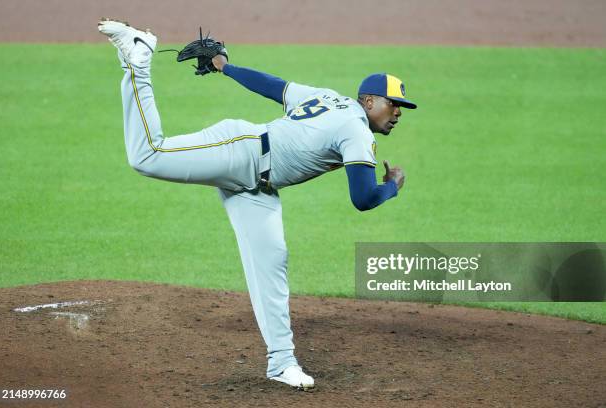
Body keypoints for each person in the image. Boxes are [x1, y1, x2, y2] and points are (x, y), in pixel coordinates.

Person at [98, 19, 417, 390]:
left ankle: (282, 363)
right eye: (393, 105)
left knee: (271, 262)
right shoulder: (357, 132)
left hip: (257, 187)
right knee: (147, 155)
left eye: (401, 108)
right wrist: (392, 186)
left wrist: (225, 66)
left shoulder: (330, 97)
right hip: (241, 149)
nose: (397, 114)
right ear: (369, 101)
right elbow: (362, 199)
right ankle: (138, 57)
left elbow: (275, 87)